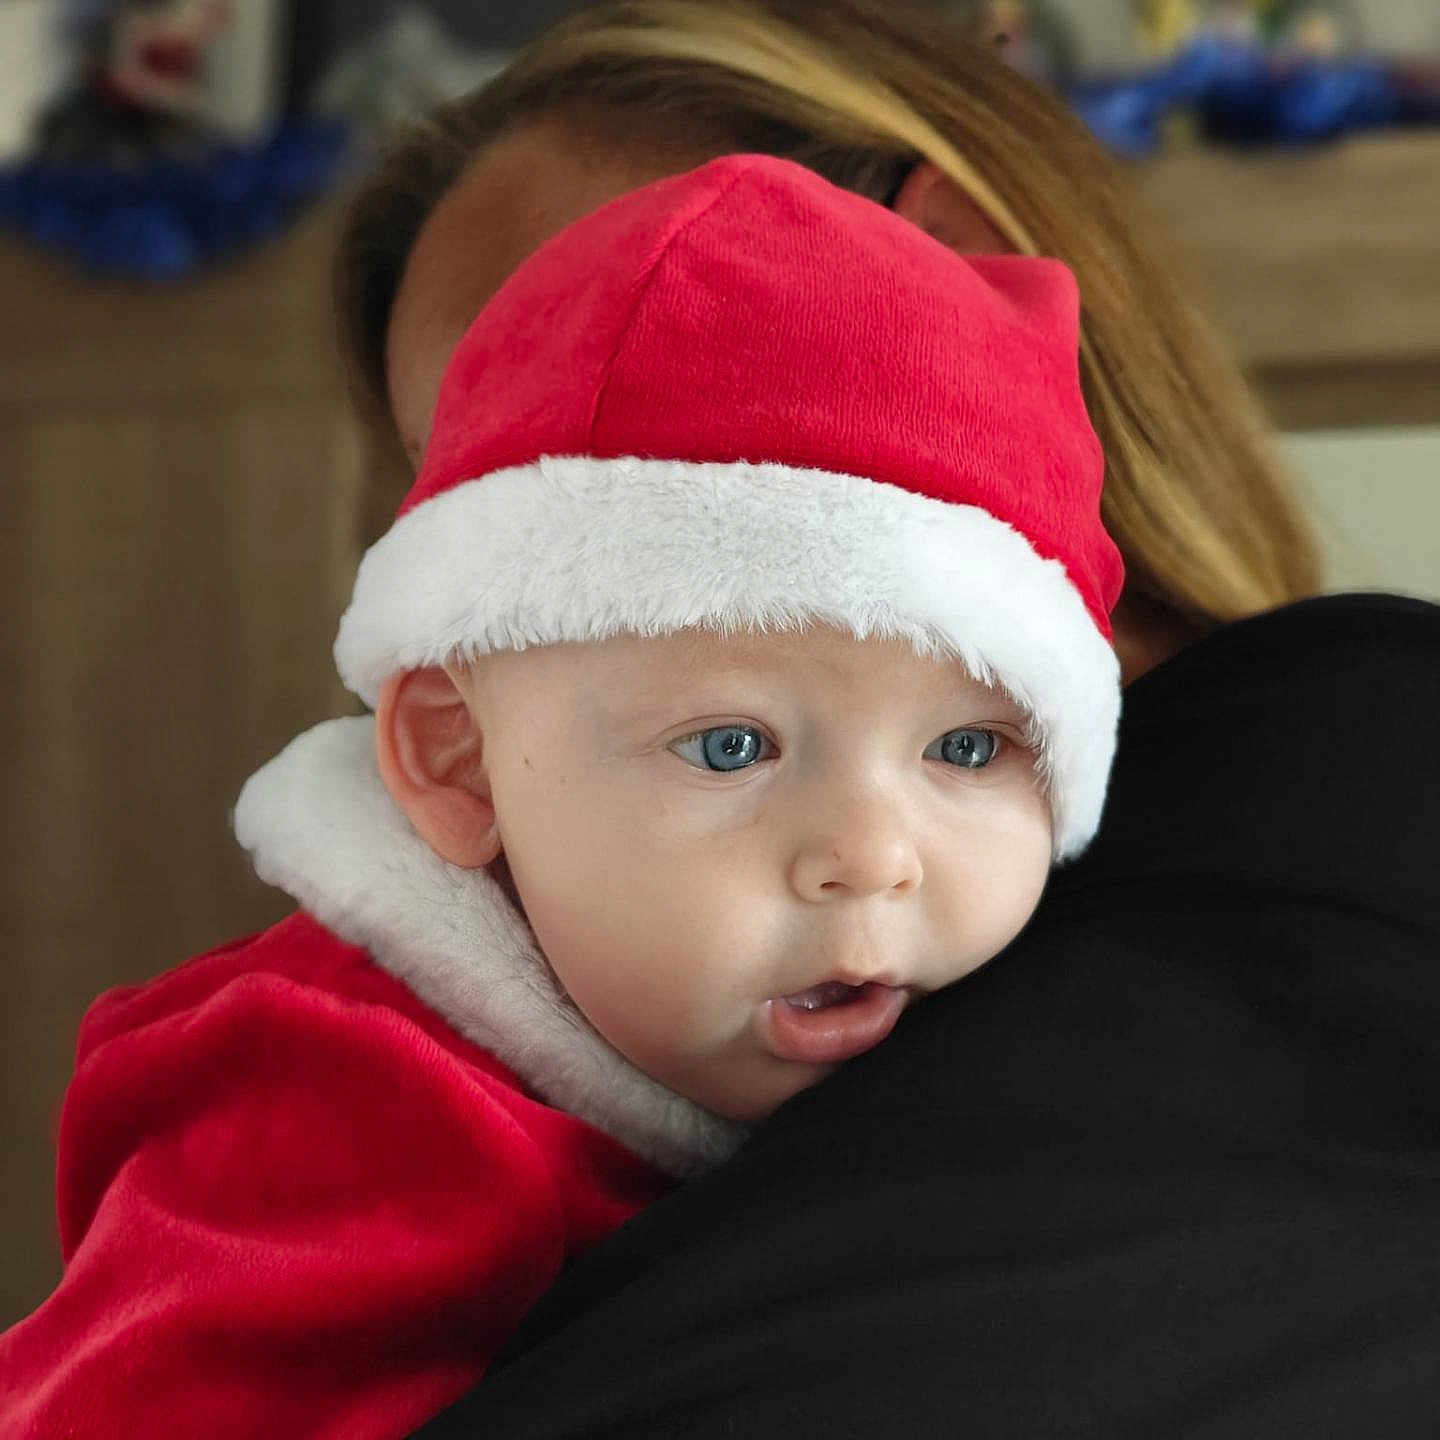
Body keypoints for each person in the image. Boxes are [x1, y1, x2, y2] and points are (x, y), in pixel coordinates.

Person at [316, 2, 1439, 1434]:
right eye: (466, 476)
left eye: (598, 351)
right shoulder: (402, 1087)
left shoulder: (1353, 777)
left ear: (961, 266)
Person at [0, 151, 1127, 1437]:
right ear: (458, 763)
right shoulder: (331, 1126)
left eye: (968, 750)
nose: (871, 855)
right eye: (730, 747)